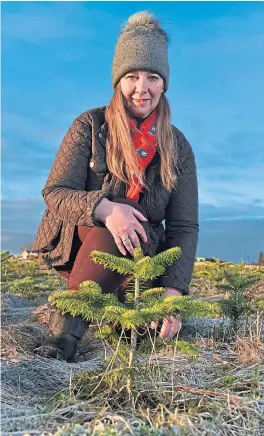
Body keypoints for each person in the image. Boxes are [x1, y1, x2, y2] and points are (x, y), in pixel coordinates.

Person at [33, 11, 199, 361]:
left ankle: (118, 312)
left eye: (153, 77)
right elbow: (56, 192)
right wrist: (107, 209)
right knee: (128, 211)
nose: (143, 88)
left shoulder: (178, 146)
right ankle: (63, 336)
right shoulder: (90, 126)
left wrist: (172, 292)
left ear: (164, 83)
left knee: (147, 333)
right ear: (118, 80)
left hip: (143, 260)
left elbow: (183, 226)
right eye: (133, 76)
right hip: (84, 243)